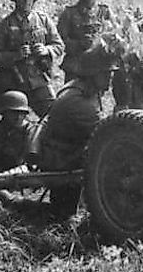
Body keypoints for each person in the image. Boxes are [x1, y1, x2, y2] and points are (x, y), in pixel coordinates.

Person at [38, 44, 119, 219]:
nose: (110, 79)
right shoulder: (77, 101)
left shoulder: (85, 90)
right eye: (106, 74)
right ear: (93, 74)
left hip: (69, 153)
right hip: (62, 160)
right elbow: (105, 132)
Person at [0, 0, 65, 118]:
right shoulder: (4, 25)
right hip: (12, 81)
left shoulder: (43, 20)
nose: (27, 1)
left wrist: (47, 50)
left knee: (53, 117)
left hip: (38, 80)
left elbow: (59, 45)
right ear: (15, 0)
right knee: (2, 120)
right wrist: (15, 55)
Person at [57, 0, 112, 80]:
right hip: (76, 66)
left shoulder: (105, 12)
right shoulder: (69, 13)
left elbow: (115, 35)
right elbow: (59, 41)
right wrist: (79, 44)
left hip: (98, 67)